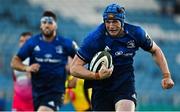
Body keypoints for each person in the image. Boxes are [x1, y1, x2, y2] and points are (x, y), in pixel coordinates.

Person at [70, 3, 174, 111]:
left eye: (115, 21)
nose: (111, 26)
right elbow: (74, 68)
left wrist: (166, 75)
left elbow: (155, 50)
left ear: (122, 21)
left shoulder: (136, 33)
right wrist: (97, 75)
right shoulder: (94, 38)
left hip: (124, 85)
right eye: (107, 22)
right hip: (101, 90)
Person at [11, 10, 77, 111]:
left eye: (50, 22)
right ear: (40, 25)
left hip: (56, 92)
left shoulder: (66, 43)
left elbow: (81, 58)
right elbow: (15, 61)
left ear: (55, 25)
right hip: (37, 94)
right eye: (44, 22)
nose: (47, 25)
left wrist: (74, 77)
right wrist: (27, 68)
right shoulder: (32, 43)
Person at [12, 32, 34, 111]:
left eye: (27, 41)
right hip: (17, 105)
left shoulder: (38, 60)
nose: (23, 43)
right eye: (21, 41)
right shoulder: (15, 62)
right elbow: (15, 82)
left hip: (33, 105)